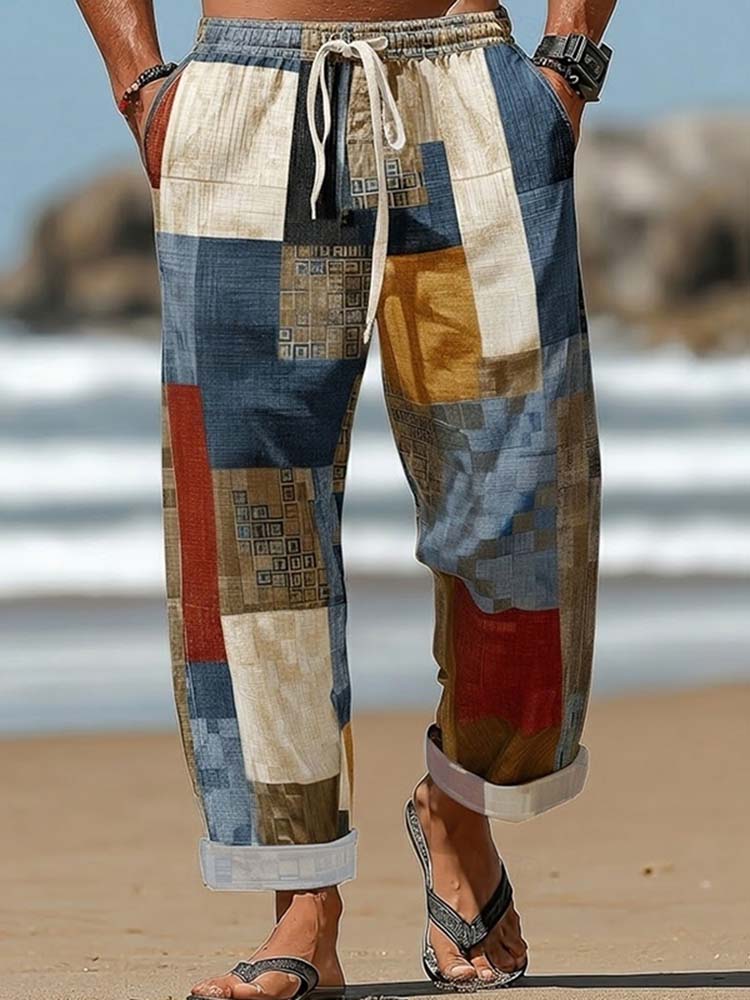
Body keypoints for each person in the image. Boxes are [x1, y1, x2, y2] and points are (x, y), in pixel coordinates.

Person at [76, 0, 616, 996]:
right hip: (249, 103)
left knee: (523, 510)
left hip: (466, 87)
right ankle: (303, 905)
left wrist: (569, 61)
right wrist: (139, 81)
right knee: (257, 536)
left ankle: (460, 805)